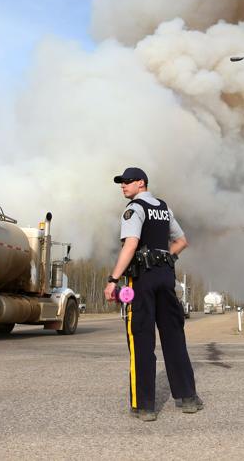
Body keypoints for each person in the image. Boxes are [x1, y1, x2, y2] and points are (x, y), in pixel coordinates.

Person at [104, 167, 202, 422]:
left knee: (141, 341)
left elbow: (131, 244)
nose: (123, 186)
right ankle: (188, 398)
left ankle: (144, 405)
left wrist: (113, 279)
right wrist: (166, 257)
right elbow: (182, 241)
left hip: (143, 280)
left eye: (127, 182)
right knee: (174, 337)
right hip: (166, 277)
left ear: (141, 183)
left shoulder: (134, 209)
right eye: (121, 182)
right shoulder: (163, 207)